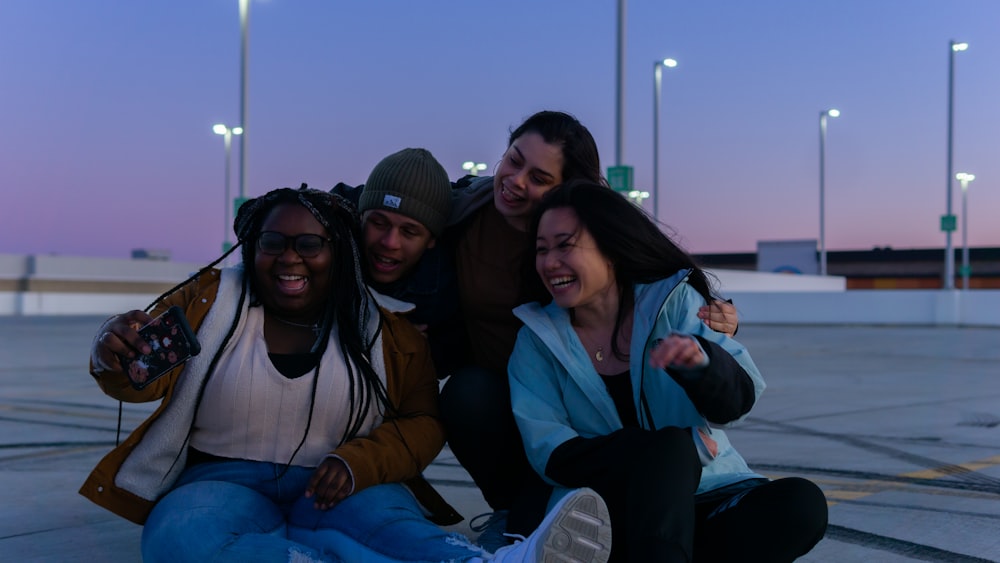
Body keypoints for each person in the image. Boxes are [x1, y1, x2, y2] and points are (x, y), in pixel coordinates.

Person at [80, 185, 612, 562]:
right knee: (176, 540)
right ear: (252, 247)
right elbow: (136, 378)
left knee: (394, 530)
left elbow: (424, 421)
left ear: (337, 252)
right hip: (220, 480)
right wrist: (114, 355)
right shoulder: (209, 299)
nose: (290, 258)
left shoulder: (392, 333)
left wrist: (359, 462)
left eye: (309, 243)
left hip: (341, 483)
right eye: (273, 243)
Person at [435, 110, 741, 547]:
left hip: (578, 398)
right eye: (513, 160)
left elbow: (654, 281)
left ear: (568, 189)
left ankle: (612, 507)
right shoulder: (464, 211)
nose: (516, 181)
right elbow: (390, 205)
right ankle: (516, 511)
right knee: (467, 394)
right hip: (504, 393)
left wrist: (719, 318)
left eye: (539, 177)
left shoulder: (585, 238)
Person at [509, 181, 829, 561]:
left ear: (611, 248)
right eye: (541, 250)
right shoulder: (537, 341)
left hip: (706, 495)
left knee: (801, 504)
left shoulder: (672, 305)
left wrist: (703, 367)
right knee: (671, 450)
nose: (549, 262)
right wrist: (664, 454)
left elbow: (738, 400)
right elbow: (551, 453)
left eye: (565, 245)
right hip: (607, 511)